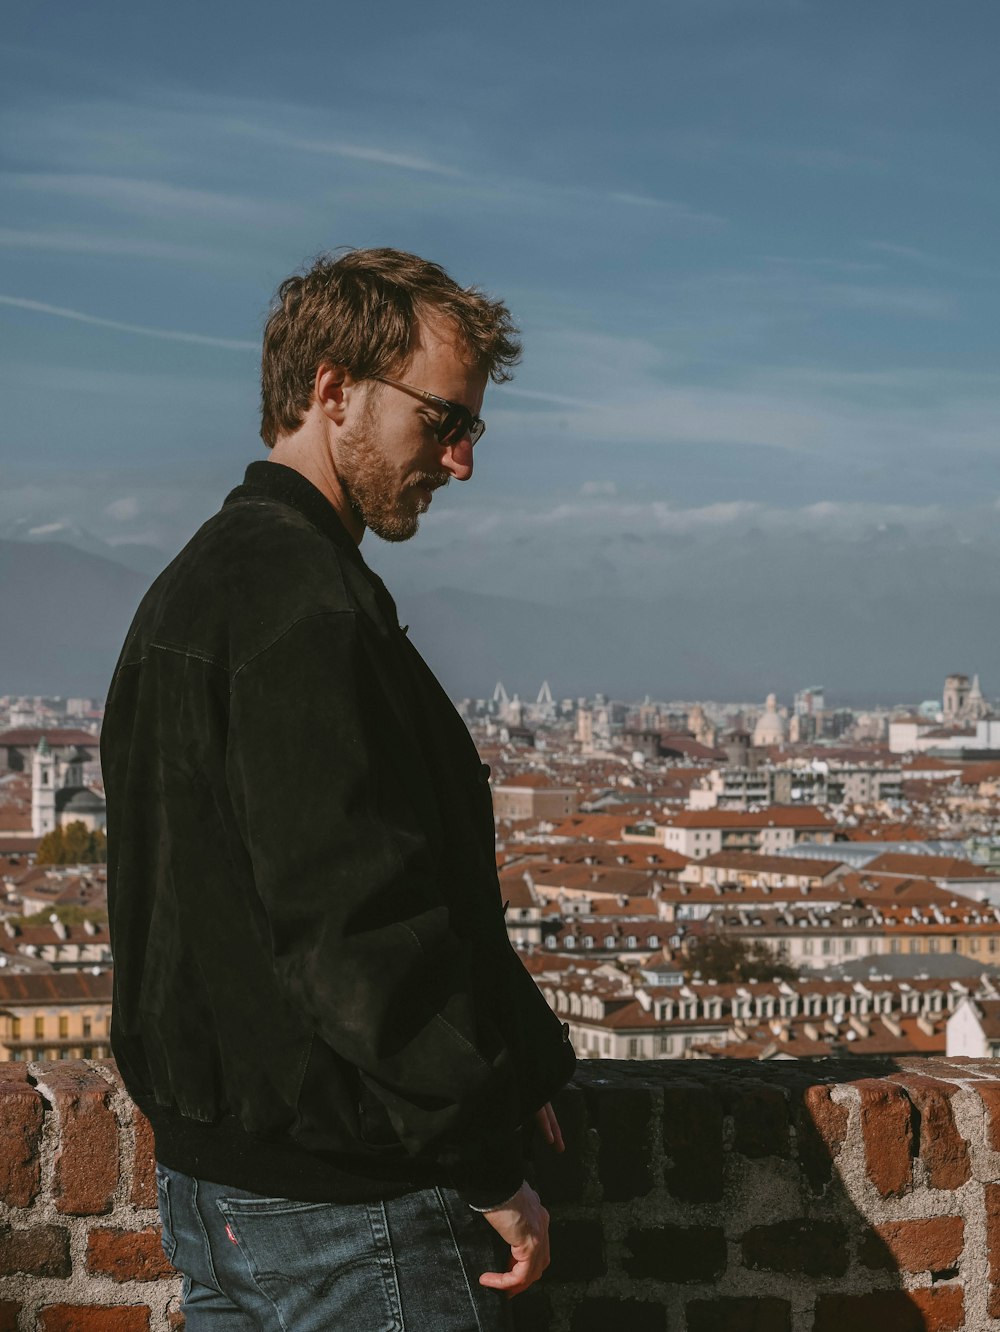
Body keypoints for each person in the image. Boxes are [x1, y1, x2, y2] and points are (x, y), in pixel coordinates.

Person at [101, 247, 577, 1331]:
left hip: (214, 1190)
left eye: (472, 431)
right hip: (353, 1208)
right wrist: (484, 1157)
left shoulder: (188, 591)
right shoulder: (309, 612)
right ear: (332, 390)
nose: (459, 463)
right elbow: (352, 926)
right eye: (442, 421)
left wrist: (516, 1053)